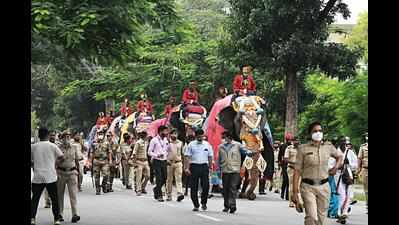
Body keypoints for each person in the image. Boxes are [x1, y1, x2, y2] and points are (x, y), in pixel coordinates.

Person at [292, 122, 343, 225]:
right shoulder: (303, 148)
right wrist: (295, 192)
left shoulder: (328, 146)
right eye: (315, 131)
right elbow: (297, 171)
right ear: (310, 133)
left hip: (324, 187)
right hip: (307, 187)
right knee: (312, 217)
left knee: (321, 220)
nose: (318, 133)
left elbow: (340, 157)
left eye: (320, 131)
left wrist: (335, 167)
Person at [31, 127, 65, 225]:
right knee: (54, 199)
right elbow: (62, 157)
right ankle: (56, 219)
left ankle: (32, 218)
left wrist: (34, 164)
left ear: (38, 135)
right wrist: (55, 164)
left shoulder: (33, 147)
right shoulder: (52, 146)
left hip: (37, 177)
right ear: (48, 135)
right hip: (51, 176)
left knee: (35, 199)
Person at [218, 131, 253, 213]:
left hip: (235, 170)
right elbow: (219, 160)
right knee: (225, 189)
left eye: (224, 137)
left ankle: (232, 205)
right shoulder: (221, 147)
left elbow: (245, 151)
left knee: (233, 187)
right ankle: (226, 205)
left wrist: (250, 153)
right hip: (225, 170)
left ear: (229, 137)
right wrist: (218, 171)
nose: (223, 139)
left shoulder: (237, 145)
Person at [184, 128, 213, 211]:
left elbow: (210, 156)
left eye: (202, 136)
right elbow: (187, 156)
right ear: (196, 136)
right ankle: (196, 204)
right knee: (194, 187)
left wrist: (210, 167)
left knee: (206, 186)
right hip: (194, 167)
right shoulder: (191, 145)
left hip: (204, 166)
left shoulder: (207, 145)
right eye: (199, 136)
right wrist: (187, 168)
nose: (200, 138)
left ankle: (204, 202)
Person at [56, 130, 81, 223]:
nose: (67, 138)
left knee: (73, 195)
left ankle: (75, 214)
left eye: (68, 136)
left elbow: (77, 162)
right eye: (65, 136)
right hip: (61, 173)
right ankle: (60, 214)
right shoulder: (57, 148)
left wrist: (79, 176)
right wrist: (60, 161)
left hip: (72, 173)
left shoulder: (74, 147)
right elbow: (54, 162)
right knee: (59, 195)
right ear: (61, 138)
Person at [335, 138, 358, 223]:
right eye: (342, 141)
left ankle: (344, 213)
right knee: (342, 195)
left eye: (345, 142)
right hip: (338, 176)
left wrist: (349, 164)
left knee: (349, 195)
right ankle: (338, 213)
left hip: (348, 175)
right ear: (339, 143)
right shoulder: (335, 152)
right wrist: (338, 165)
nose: (344, 143)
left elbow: (355, 164)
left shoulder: (350, 152)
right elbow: (330, 165)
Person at [148, 125, 169, 201]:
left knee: (165, 177)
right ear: (160, 131)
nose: (167, 133)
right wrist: (156, 155)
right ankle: (160, 195)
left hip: (164, 160)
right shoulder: (154, 140)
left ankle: (156, 189)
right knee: (159, 178)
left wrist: (166, 156)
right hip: (157, 161)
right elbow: (149, 152)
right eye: (165, 131)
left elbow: (167, 150)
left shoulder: (166, 140)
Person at [89, 130, 112, 195]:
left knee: (106, 175)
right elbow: (91, 153)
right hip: (96, 161)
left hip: (105, 161)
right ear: (97, 134)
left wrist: (110, 160)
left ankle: (103, 185)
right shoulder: (94, 143)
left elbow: (109, 152)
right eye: (99, 134)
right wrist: (90, 162)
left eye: (101, 134)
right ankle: (97, 189)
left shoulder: (107, 143)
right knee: (96, 176)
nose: (100, 135)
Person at [165, 129, 184, 201]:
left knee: (178, 179)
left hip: (178, 162)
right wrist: (166, 160)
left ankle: (179, 193)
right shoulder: (167, 143)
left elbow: (183, 154)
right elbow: (164, 152)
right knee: (169, 179)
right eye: (173, 134)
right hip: (169, 163)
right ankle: (169, 195)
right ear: (170, 135)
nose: (174, 135)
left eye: (176, 134)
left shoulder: (181, 143)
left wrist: (184, 164)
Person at [284, 137, 301, 208]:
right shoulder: (289, 148)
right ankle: (291, 202)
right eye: (295, 140)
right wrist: (295, 163)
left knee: (299, 186)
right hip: (291, 169)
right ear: (292, 141)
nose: (297, 142)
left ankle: (299, 201)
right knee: (291, 186)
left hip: (300, 170)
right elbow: (286, 159)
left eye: (298, 140)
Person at [132, 131, 151, 196]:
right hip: (139, 161)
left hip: (145, 161)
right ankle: (138, 190)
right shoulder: (138, 143)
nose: (147, 137)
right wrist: (135, 163)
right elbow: (134, 153)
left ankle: (143, 187)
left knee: (148, 176)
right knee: (139, 177)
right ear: (144, 136)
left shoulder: (146, 143)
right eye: (146, 136)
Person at [43, 131, 57, 208]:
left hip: (57, 168)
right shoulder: (46, 145)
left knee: (56, 186)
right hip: (48, 168)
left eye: (54, 135)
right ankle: (47, 202)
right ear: (48, 136)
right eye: (51, 135)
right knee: (47, 186)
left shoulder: (58, 145)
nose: (52, 137)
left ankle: (56, 202)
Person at [357, 132, 368, 214]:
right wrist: (358, 169)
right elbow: (359, 159)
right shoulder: (363, 147)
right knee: (366, 189)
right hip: (365, 170)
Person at [278, 134, 291, 200]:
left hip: (290, 164)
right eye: (288, 140)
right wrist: (279, 163)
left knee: (289, 180)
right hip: (284, 164)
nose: (289, 141)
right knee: (285, 179)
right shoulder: (283, 146)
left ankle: (287, 195)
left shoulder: (292, 146)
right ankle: (283, 193)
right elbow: (279, 155)